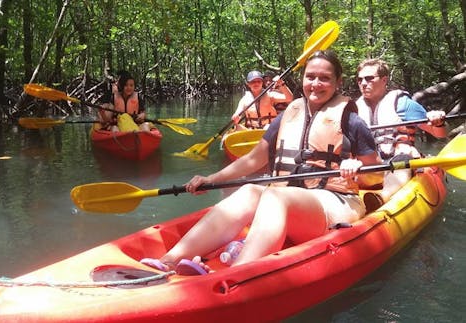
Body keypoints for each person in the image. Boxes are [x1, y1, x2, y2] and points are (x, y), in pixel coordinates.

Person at [141, 50, 382, 275]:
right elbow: (254, 159)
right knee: (249, 190)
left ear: (338, 82)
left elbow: (376, 178)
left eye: (325, 78)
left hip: (334, 203)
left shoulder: (351, 121)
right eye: (310, 77)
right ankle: (169, 261)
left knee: (275, 196)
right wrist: (210, 179)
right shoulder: (290, 113)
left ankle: (239, 272)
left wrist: (358, 169)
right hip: (293, 199)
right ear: (303, 79)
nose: (316, 84)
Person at [356, 58, 447, 212]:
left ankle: (382, 198)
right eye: (360, 80)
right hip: (372, 167)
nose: (364, 83)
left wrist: (438, 122)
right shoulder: (354, 109)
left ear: (384, 80)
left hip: (399, 164)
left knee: (404, 154)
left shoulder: (403, 104)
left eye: (369, 78)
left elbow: (439, 134)